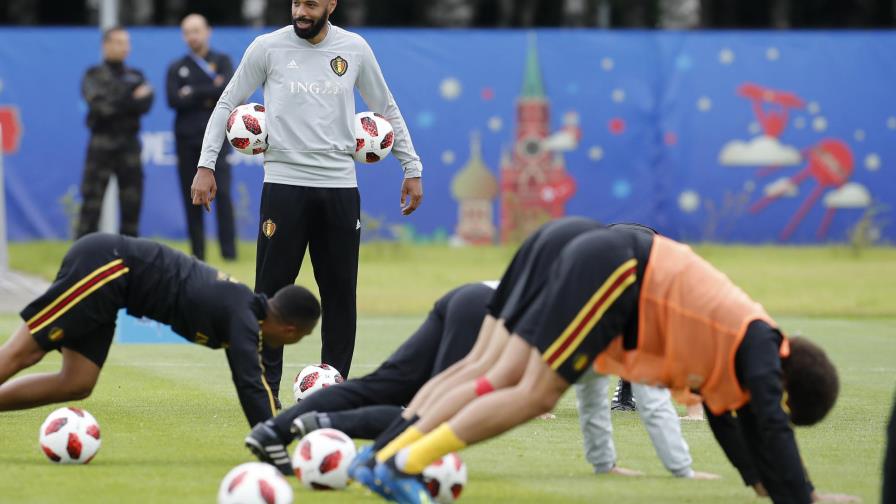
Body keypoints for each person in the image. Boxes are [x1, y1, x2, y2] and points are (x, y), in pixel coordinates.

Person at [363, 223, 852, 504]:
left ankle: (386, 456)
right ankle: (406, 463)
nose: (775, 408)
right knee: (534, 392)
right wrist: (804, 496)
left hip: (605, 256)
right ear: (788, 388)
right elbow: (767, 418)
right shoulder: (762, 344)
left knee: (497, 374)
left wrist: (758, 481)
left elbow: (729, 419)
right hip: (619, 268)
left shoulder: (741, 353)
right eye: (788, 409)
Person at [192, 0, 425, 404]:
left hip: (339, 187)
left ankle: (334, 392)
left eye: (311, 4)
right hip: (284, 184)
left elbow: (385, 108)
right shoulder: (267, 47)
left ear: (331, 4)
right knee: (270, 293)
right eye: (296, 2)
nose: (301, 10)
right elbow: (228, 103)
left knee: (339, 293)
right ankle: (265, 391)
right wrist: (205, 164)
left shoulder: (354, 49)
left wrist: (412, 165)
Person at [0, 233, 320, 427]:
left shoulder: (246, 314)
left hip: (114, 289)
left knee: (77, 381)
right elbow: (250, 382)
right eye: (298, 338)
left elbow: (254, 377)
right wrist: (273, 436)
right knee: (24, 352)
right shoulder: (243, 316)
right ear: (290, 330)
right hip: (107, 266)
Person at [245, 281, 494, 474]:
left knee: (381, 385)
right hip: (487, 309)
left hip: (468, 294)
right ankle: (327, 423)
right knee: (436, 414)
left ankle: (273, 431)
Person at [166, 13, 236, 261]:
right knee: (192, 195)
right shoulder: (177, 67)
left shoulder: (223, 61)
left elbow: (227, 90)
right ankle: (197, 254)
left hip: (218, 139)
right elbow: (174, 99)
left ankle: (230, 254)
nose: (192, 36)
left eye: (197, 30)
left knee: (224, 194)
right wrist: (208, 91)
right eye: (187, 31)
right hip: (187, 140)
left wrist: (192, 91)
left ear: (208, 31)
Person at [77, 27, 154, 239]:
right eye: (119, 42)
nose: (124, 47)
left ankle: (129, 263)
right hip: (100, 145)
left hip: (129, 146)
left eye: (126, 43)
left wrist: (115, 98)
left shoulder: (136, 75)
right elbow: (100, 108)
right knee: (90, 207)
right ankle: (82, 260)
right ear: (106, 45)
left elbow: (146, 104)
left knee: (132, 207)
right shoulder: (93, 75)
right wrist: (130, 97)